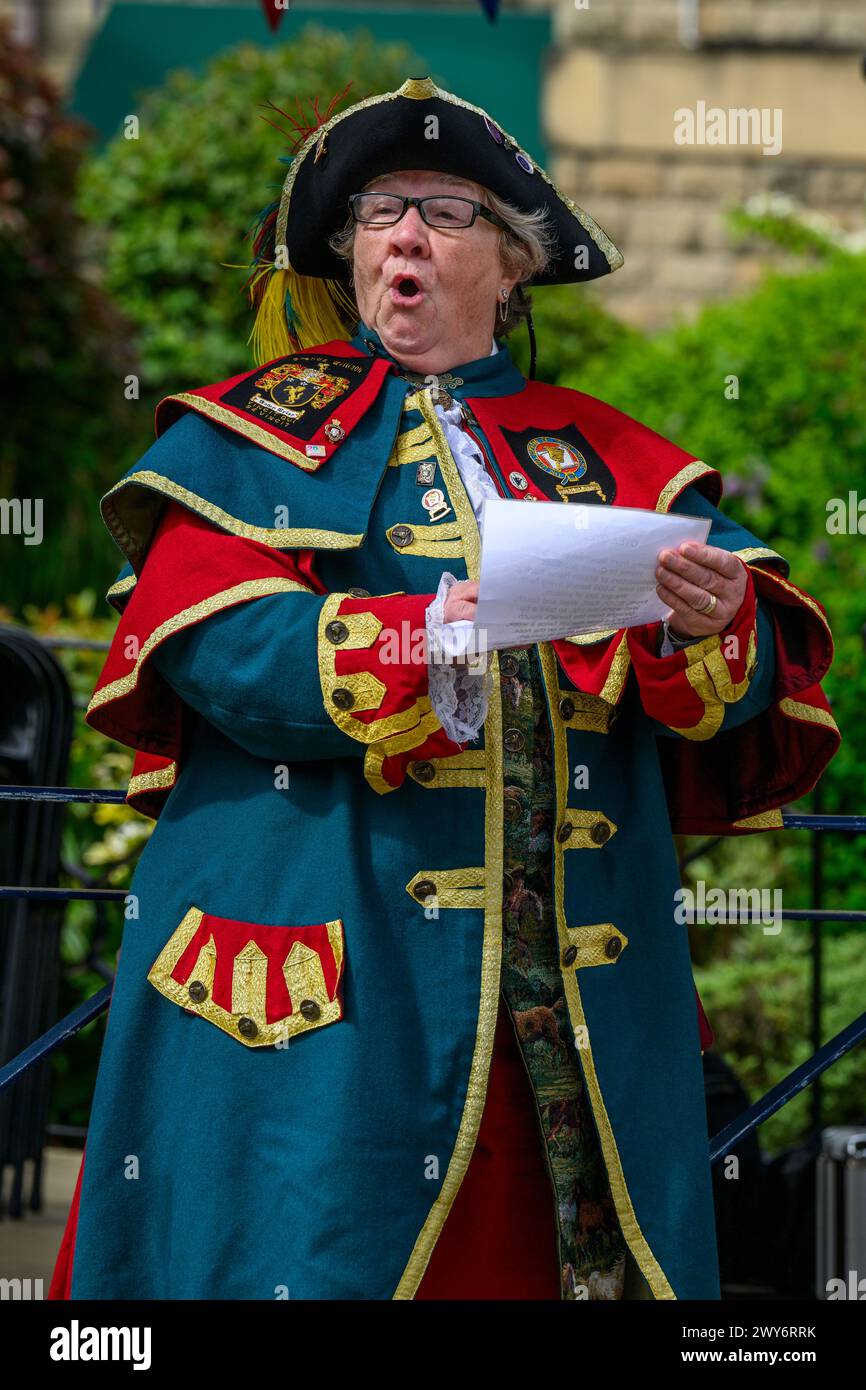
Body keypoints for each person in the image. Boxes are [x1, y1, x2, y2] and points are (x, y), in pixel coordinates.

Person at [49, 76, 839, 1301]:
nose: (404, 235)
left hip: (566, 1006)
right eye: (377, 212)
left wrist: (715, 622)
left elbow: (758, 671)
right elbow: (217, 649)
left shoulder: (607, 454)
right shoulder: (244, 441)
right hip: (336, 981)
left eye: (445, 213)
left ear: (513, 268)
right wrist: (416, 639)